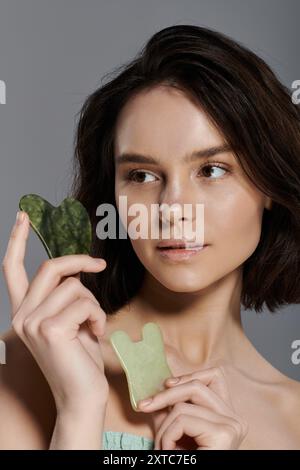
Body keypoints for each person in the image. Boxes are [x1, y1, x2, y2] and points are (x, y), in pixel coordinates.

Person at [1, 24, 300, 450]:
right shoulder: (25, 367)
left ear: (269, 185)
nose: (173, 209)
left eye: (212, 170)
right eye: (141, 175)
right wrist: (79, 407)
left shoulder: (294, 418)